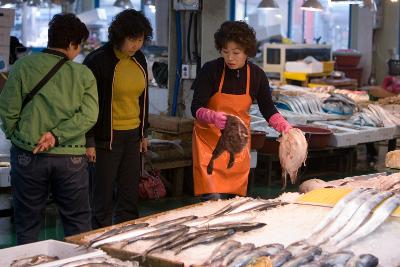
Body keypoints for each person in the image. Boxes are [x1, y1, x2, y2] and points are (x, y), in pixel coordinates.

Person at [0, 13, 98, 244]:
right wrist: (57, 135)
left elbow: (7, 108)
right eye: (79, 46)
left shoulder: (23, 66)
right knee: (78, 225)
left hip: (28, 154)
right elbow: (89, 115)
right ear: (72, 44)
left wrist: (18, 137)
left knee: (27, 223)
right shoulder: (83, 74)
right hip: (71, 158)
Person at [191, 21, 292, 201]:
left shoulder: (256, 75)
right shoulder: (210, 70)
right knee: (212, 201)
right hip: (209, 146)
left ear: (247, 52)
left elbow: (267, 108)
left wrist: (282, 125)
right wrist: (211, 116)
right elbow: (195, 107)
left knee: (234, 204)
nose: (230, 58)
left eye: (236, 53)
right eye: (225, 51)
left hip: (237, 148)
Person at [83, 9, 152, 229]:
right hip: (105, 139)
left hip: (132, 137)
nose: (136, 45)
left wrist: (143, 133)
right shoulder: (97, 61)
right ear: (119, 36)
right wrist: (89, 140)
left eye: (140, 40)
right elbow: (87, 103)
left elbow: (143, 99)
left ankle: (126, 242)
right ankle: (98, 246)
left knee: (129, 196)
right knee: (102, 198)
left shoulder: (139, 59)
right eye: (132, 40)